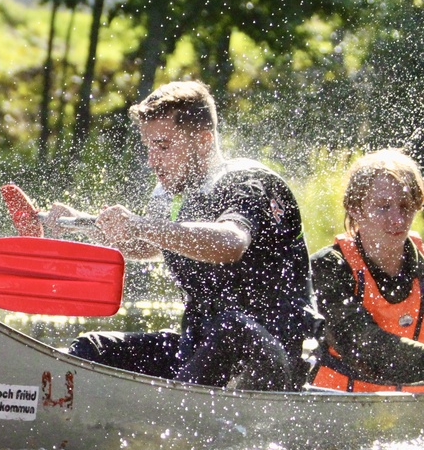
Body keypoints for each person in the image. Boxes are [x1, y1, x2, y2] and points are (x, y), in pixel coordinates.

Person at [44, 80, 318, 391]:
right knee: (92, 348)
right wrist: (79, 223)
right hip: (201, 353)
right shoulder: (173, 194)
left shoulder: (249, 184)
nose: (153, 161)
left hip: (268, 361)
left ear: (203, 141)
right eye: (149, 147)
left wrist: (140, 225)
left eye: (163, 147)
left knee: (231, 327)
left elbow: (231, 243)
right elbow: (148, 246)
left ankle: (170, 411)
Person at [311, 149, 424, 392]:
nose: (397, 220)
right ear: (355, 208)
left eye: (405, 206)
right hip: (340, 407)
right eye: (383, 207)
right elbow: (363, 348)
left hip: (412, 411)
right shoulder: (328, 267)